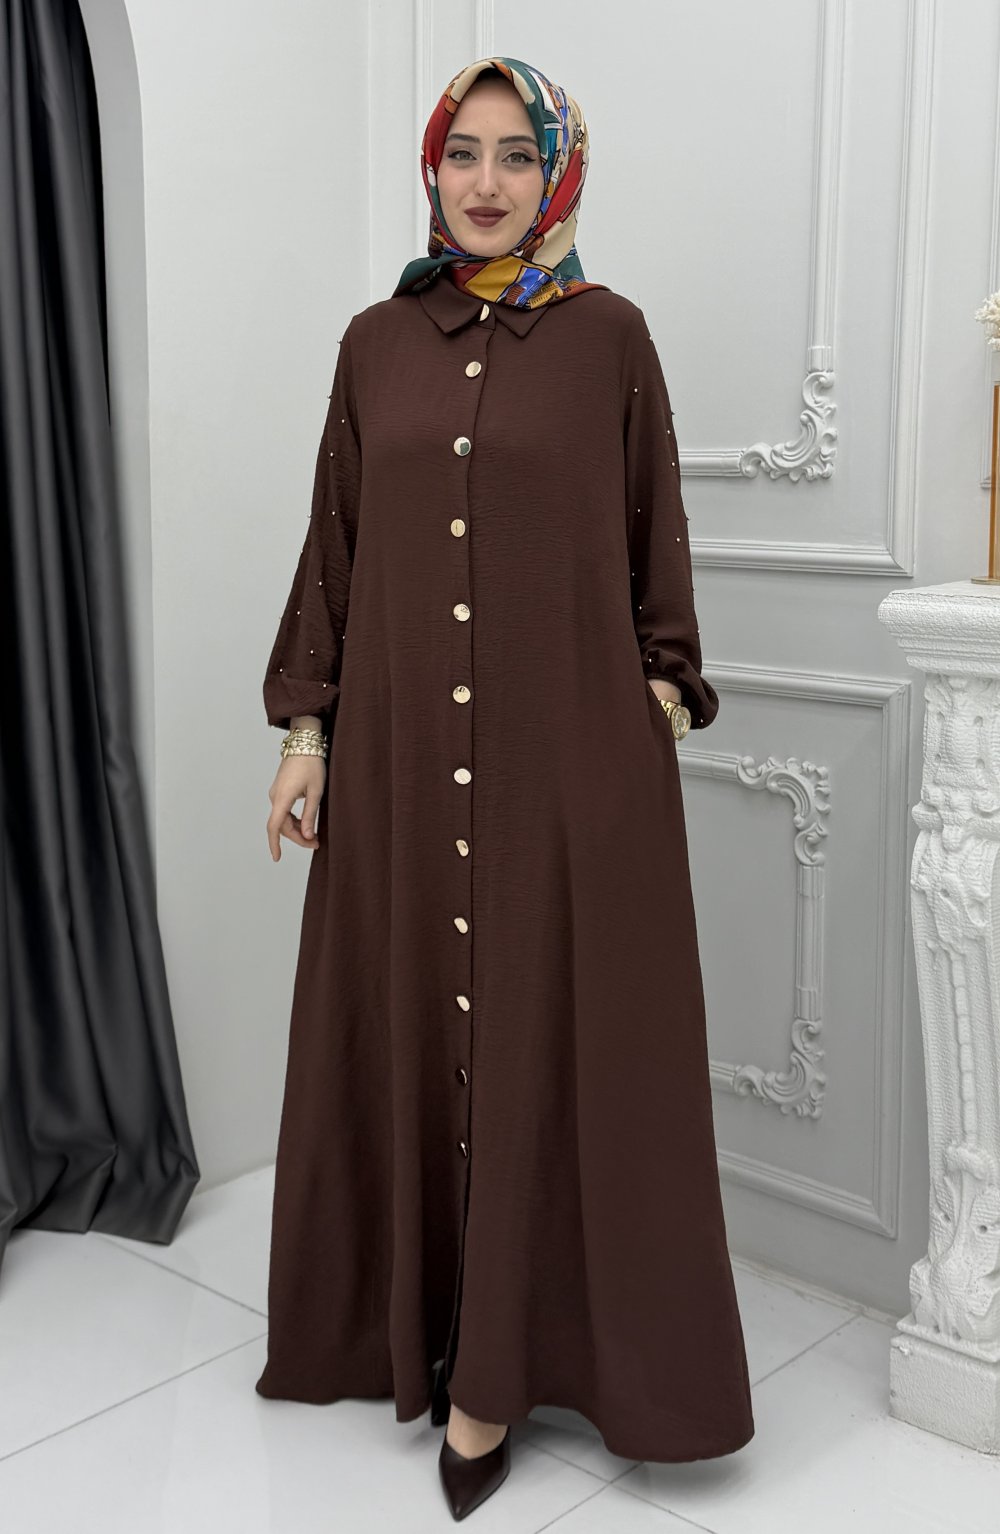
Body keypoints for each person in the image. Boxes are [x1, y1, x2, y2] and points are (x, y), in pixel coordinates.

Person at [255, 54, 754, 1523]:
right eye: (463, 153)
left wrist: (648, 710)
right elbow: (336, 547)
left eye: (517, 156)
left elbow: (658, 552)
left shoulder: (612, 340)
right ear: (433, 167)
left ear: (558, 174)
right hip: (404, 762)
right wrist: (306, 736)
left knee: (558, 1051)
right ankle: (417, 1328)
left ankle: (504, 1374)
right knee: (411, 1019)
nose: (486, 183)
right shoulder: (375, 343)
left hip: (569, 773)